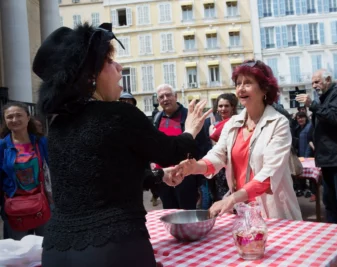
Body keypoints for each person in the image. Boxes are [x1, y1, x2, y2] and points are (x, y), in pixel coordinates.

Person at [32, 23, 211, 266]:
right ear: (90, 76)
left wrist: (159, 176)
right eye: (109, 61)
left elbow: (102, 177)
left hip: (57, 250)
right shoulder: (118, 114)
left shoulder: (60, 125)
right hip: (113, 249)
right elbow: (173, 151)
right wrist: (190, 130)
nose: (119, 67)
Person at [175, 60, 302, 220]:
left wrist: (231, 199)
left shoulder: (278, 123)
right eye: (238, 83)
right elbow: (218, 155)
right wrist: (194, 167)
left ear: (264, 88)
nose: (241, 88)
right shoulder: (233, 123)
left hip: (273, 211)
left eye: (248, 83)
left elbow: (269, 174)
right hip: (242, 211)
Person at [296, 69, 337, 229]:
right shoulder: (324, 98)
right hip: (328, 159)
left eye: (317, 81)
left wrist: (312, 105)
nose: (314, 85)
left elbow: (334, 117)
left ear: (328, 79)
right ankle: (336, 237)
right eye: (312, 83)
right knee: (330, 203)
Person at [153, 84, 210, 210]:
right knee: (169, 212)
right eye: (161, 97)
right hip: (164, 176)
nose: (165, 99)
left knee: (187, 212)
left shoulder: (189, 116)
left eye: (168, 95)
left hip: (185, 175)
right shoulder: (157, 118)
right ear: (158, 101)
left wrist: (199, 178)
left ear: (176, 96)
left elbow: (203, 147)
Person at [0, 102, 50, 240]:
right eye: (9, 117)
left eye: (18, 115)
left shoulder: (41, 143)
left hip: (42, 203)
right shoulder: (2, 147)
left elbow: (52, 170)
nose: (14, 120)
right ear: (5, 120)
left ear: (28, 117)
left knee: (45, 249)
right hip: (14, 208)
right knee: (18, 254)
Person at [205, 93, 238, 203]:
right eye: (220, 106)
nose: (223, 109)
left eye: (226, 106)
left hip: (233, 166)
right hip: (218, 168)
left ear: (232, 107)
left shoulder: (237, 123)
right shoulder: (213, 126)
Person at [293, 111, 313, 199]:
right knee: (301, 172)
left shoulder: (309, 127)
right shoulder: (297, 128)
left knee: (310, 173)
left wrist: (307, 155)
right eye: (298, 118)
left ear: (306, 118)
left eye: (302, 117)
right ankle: (302, 188)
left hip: (308, 153)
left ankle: (312, 191)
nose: (300, 120)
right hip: (299, 153)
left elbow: (310, 142)